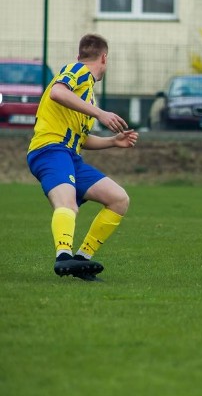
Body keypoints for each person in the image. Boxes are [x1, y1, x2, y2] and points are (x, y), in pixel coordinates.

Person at [27, 33, 138, 281]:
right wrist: (100, 113)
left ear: (81, 54)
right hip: (49, 149)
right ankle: (63, 256)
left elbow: (81, 139)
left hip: (71, 156)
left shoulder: (86, 95)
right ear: (104, 58)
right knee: (67, 204)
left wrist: (112, 141)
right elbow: (57, 92)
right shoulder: (77, 70)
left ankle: (80, 260)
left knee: (118, 199)